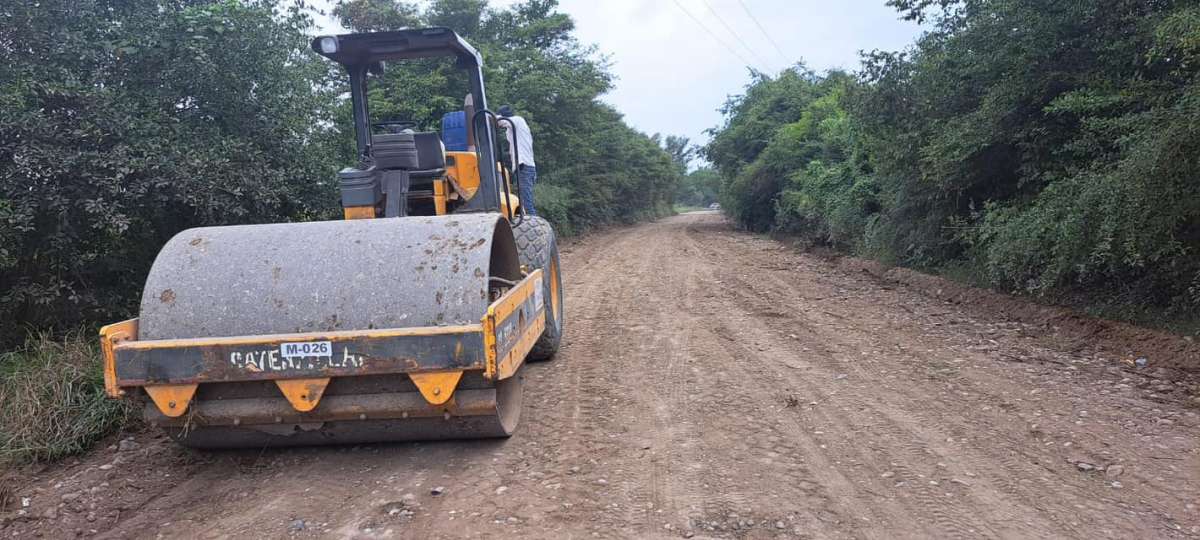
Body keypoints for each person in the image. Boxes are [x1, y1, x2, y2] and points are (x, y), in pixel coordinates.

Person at [498, 105, 537, 216]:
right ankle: (530, 222)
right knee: (524, 202)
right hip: (524, 167)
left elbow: (500, 121)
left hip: (524, 166)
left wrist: (486, 115)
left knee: (526, 203)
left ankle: (532, 225)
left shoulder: (517, 120)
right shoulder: (515, 127)